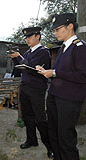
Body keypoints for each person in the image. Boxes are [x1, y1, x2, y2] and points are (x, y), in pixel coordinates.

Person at [37, 13, 86, 160]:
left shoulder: (80, 47)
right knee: (54, 134)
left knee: (66, 139)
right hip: (55, 96)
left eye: (58, 29)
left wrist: (54, 73)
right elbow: (60, 72)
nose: (55, 33)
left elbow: (82, 76)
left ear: (70, 26)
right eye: (54, 30)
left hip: (69, 100)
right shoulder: (63, 47)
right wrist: (46, 72)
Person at [8, 26, 53, 158]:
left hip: (37, 89)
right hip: (25, 87)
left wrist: (19, 57)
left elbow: (32, 67)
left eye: (30, 37)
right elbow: (20, 69)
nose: (27, 39)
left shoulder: (44, 52)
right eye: (26, 37)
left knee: (40, 119)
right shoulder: (28, 53)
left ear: (38, 36)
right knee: (28, 117)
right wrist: (14, 58)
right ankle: (31, 140)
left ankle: (50, 146)